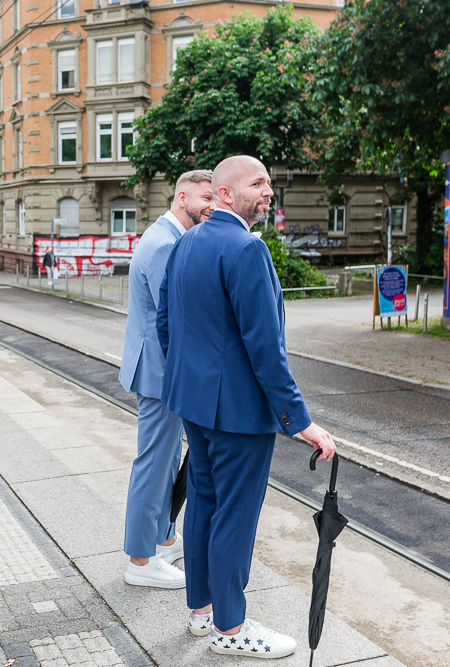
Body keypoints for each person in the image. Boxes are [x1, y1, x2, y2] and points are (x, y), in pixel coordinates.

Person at [157, 155, 337, 658]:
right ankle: (231, 631)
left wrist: (190, 380)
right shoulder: (246, 249)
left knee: (204, 506)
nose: (269, 191)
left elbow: (166, 323)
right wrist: (300, 422)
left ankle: (201, 613)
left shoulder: (186, 242)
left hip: (195, 405)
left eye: (269, 183)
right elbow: (266, 349)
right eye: (258, 183)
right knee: (235, 517)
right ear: (226, 195)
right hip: (237, 413)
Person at [119, 170, 214, 590]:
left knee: (167, 457)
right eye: (206, 197)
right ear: (182, 197)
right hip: (159, 373)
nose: (213, 205)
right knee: (154, 465)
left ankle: (162, 537)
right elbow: (173, 317)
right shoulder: (165, 245)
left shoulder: (168, 237)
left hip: (161, 370)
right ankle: (140, 560)